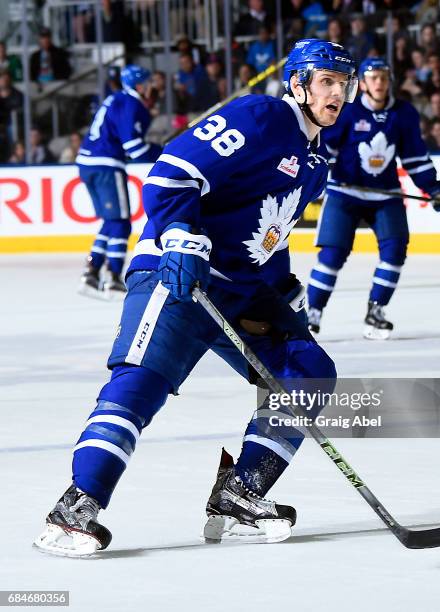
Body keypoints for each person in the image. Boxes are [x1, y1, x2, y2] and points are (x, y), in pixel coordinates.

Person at [34, 39, 359, 556]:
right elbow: (171, 171)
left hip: (242, 292)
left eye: (344, 83)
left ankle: (239, 495)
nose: (337, 92)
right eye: (327, 81)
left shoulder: (315, 161)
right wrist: (182, 234)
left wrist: (284, 289)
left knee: (308, 371)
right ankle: (75, 508)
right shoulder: (262, 115)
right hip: (179, 275)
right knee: (141, 384)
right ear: (298, 82)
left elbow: (268, 232)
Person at [307, 57, 440, 339]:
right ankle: (312, 312)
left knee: (395, 251)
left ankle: (376, 310)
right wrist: (315, 177)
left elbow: (415, 158)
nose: (379, 82)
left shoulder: (404, 114)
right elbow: (326, 150)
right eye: (373, 78)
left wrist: (434, 188)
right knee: (332, 254)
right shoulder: (347, 111)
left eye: (383, 77)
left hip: (385, 194)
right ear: (362, 83)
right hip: (345, 191)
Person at [76, 64, 161, 300]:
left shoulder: (117, 99)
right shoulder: (132, 104)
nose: (152, 87)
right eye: (148, 82)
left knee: (111, 222)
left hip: (88, 163)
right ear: (139, 85)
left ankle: (91, 272)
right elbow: (134, 148)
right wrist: (161, 151)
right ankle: (113, 277)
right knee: (122, 223)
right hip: (106, 165)